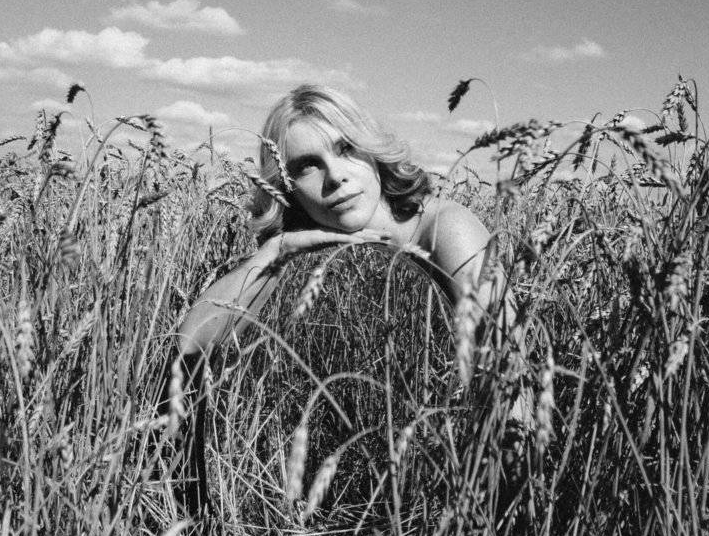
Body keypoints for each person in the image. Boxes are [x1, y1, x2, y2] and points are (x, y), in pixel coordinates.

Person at [167, 83, 504, 512]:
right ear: (286, 187)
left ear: (373, 152)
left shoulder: (446, 230)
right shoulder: (306, 248)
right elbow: (190, 341)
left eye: (346, 149)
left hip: (455, 495)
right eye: (307, 166)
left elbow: (508, 371)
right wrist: (275, 251)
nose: (335, 177)